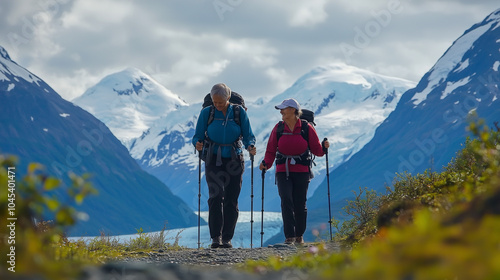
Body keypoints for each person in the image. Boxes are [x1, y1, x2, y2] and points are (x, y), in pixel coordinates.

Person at [193, 83, 256, 249]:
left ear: (228, 98)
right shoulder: (207, 112)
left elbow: (249, 134)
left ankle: (227, 238)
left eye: (220, 102)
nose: (217, 105)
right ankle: (216, 238)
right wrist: (197, 144)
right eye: (215, 102)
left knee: (231, 198)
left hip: (235, 159)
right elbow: (197, 135)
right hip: (213, 158)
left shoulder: (238, 112)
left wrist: (250, 146)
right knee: (215, 196)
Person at [259, 98, 329, 245]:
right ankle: (289, 236)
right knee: (286, 200)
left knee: (299, 203)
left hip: (302, 170)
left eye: (283, 109)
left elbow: (317, 150)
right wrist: (266, 163)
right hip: (282, 170)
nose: (281, 112)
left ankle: (299, 235)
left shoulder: (306, 128)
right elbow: (271, 150)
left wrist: (324, 147)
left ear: (293, 110)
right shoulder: (278, 128)